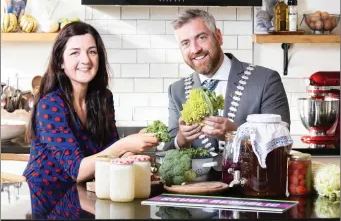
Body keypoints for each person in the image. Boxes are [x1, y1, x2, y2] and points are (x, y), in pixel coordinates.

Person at [23, 22, 159, 183]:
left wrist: (132, 150)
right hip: (50, 195)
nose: (85, 60)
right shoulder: (51, 104)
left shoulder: (103, 98)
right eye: (75, 53)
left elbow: (110, 153)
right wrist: (125, 145)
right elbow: (77, 171)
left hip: (85, 194)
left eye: (92, 52)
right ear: (61, 62)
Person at [163, 9, 290, 176]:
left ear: (218, 37)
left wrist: (237, 135)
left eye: (201, 37)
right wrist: (182, 138)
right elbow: (169, 148)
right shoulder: (177, 90)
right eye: (185, 43)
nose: (195, 49)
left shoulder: (265, 80)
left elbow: (282, 143)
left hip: (253, 189)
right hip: (198, 192)